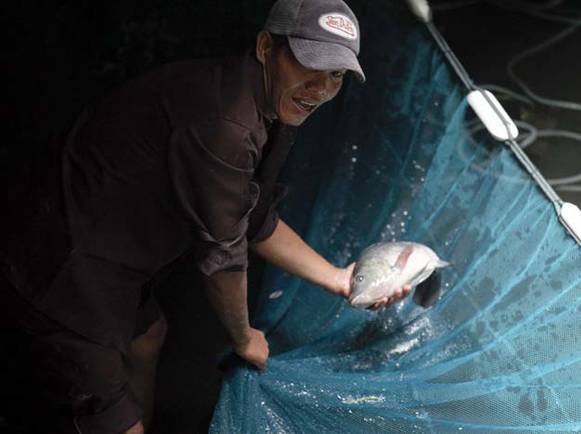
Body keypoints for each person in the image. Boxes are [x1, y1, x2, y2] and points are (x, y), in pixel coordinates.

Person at [0, 0, 410, 433]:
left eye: (337, 75)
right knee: (102, 409)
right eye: (310, 65)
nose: (320, 88)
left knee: (146, 340)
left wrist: (339, 278)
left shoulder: (275, 103)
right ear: (265, 46)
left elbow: (253, 216)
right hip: (61, 266)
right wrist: (243, 337)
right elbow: (224, 258)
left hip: (112, 248)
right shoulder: (227, 127)